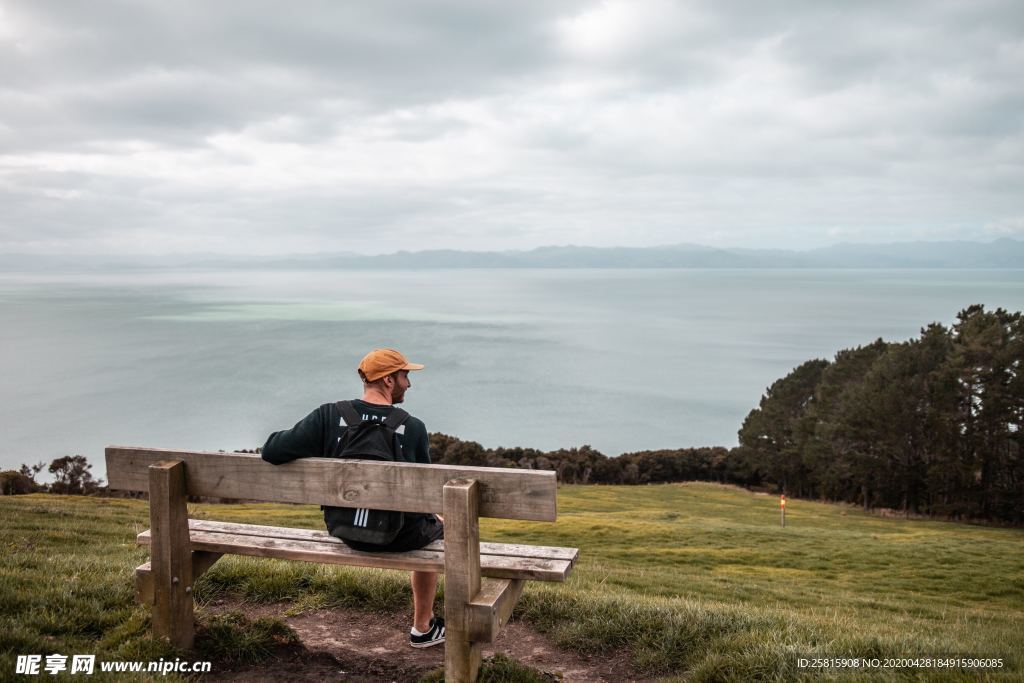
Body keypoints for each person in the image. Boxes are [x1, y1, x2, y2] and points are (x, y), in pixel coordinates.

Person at [260, 348, 445, 648]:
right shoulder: (413, 427)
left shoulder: (328, 416)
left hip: (345, 530)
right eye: (405, 376)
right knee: (439, 528)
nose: (408, 384)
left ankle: (424, 625)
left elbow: (272, 450)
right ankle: (423, 627)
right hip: (399, 537)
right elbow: (422, 495)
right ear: (388, 380)